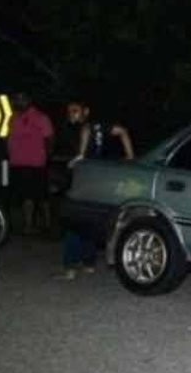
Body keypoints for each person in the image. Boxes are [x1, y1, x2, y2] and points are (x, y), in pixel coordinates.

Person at [57, 99, 134, 278]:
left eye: (75, 111)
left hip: (85, 178)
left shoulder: (85, 127)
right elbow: (122, 132)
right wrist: (130, 157)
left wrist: (79, 157)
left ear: (86, 111)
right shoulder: (99, 126)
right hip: (99, 178)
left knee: (73, 221)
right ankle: (89, 264)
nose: (71, 115)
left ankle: (70, 268)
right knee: (88, 220)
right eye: (69, 111)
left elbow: (83, 147)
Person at [7, 91, 54, 235]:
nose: (18, 102)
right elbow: (9, 137)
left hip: (36, 162)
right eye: (16, 99)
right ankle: (31, 224)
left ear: (29, 100)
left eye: (22, 99)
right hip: (17, 162)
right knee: (25, 195)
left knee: (39, 196)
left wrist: (47, 155)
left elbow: (50, 138)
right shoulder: (13, 117)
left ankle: (42, 224)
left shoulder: (40, 117)